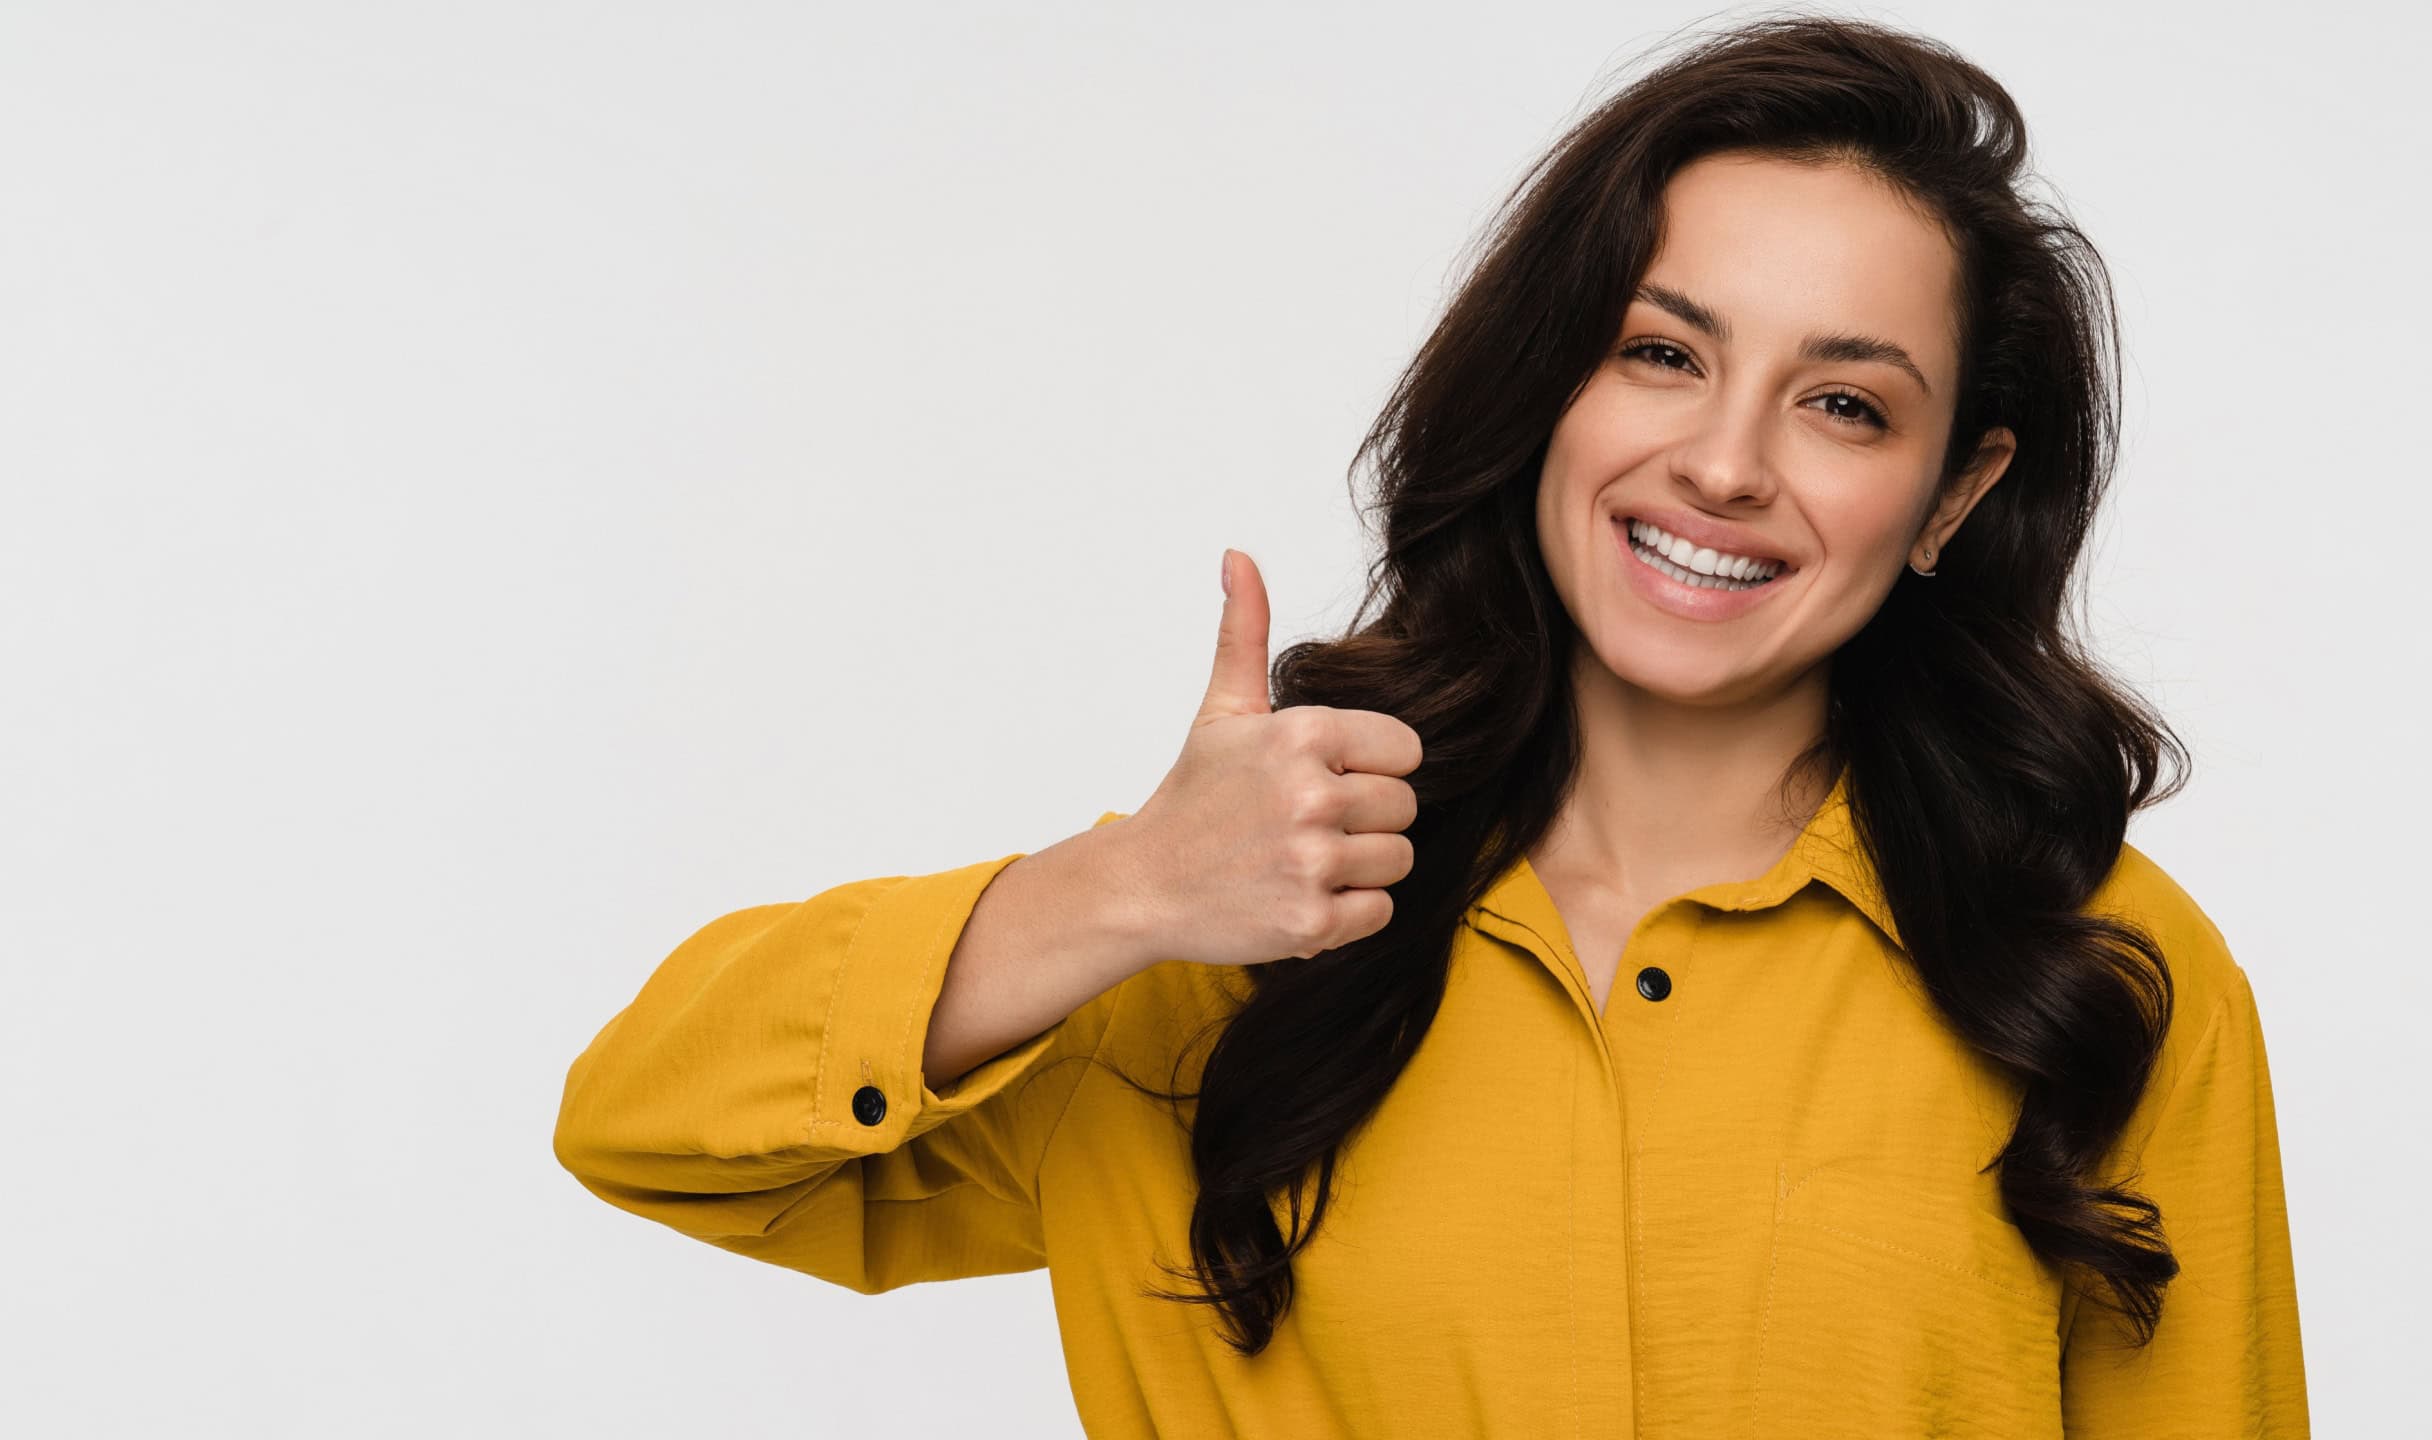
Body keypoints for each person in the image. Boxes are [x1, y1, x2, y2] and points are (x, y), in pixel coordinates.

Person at [552, 14, 2309, 1437]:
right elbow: (644, 1124)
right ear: (1545, 380)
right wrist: (1122, 893)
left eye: (1844, 403)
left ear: (1950, 494)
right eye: (1661, 351)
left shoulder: (2105, 977)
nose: (1723, 462)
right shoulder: (1223, 929)